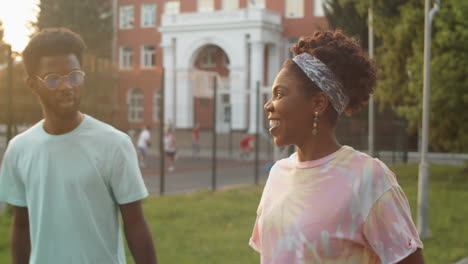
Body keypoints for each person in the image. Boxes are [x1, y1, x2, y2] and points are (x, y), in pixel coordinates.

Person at [249, 30, 424, 263]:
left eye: (280, 94)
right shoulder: (277, 174)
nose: (268, 105)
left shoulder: (368, 179)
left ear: (318, 103)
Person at [0, 28, 157, 264]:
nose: (67, 86)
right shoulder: (19, 149)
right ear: (32, 85)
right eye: (53, 79)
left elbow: (135, 224)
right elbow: (22, 226)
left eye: (74, 75)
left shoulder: (114, 144)